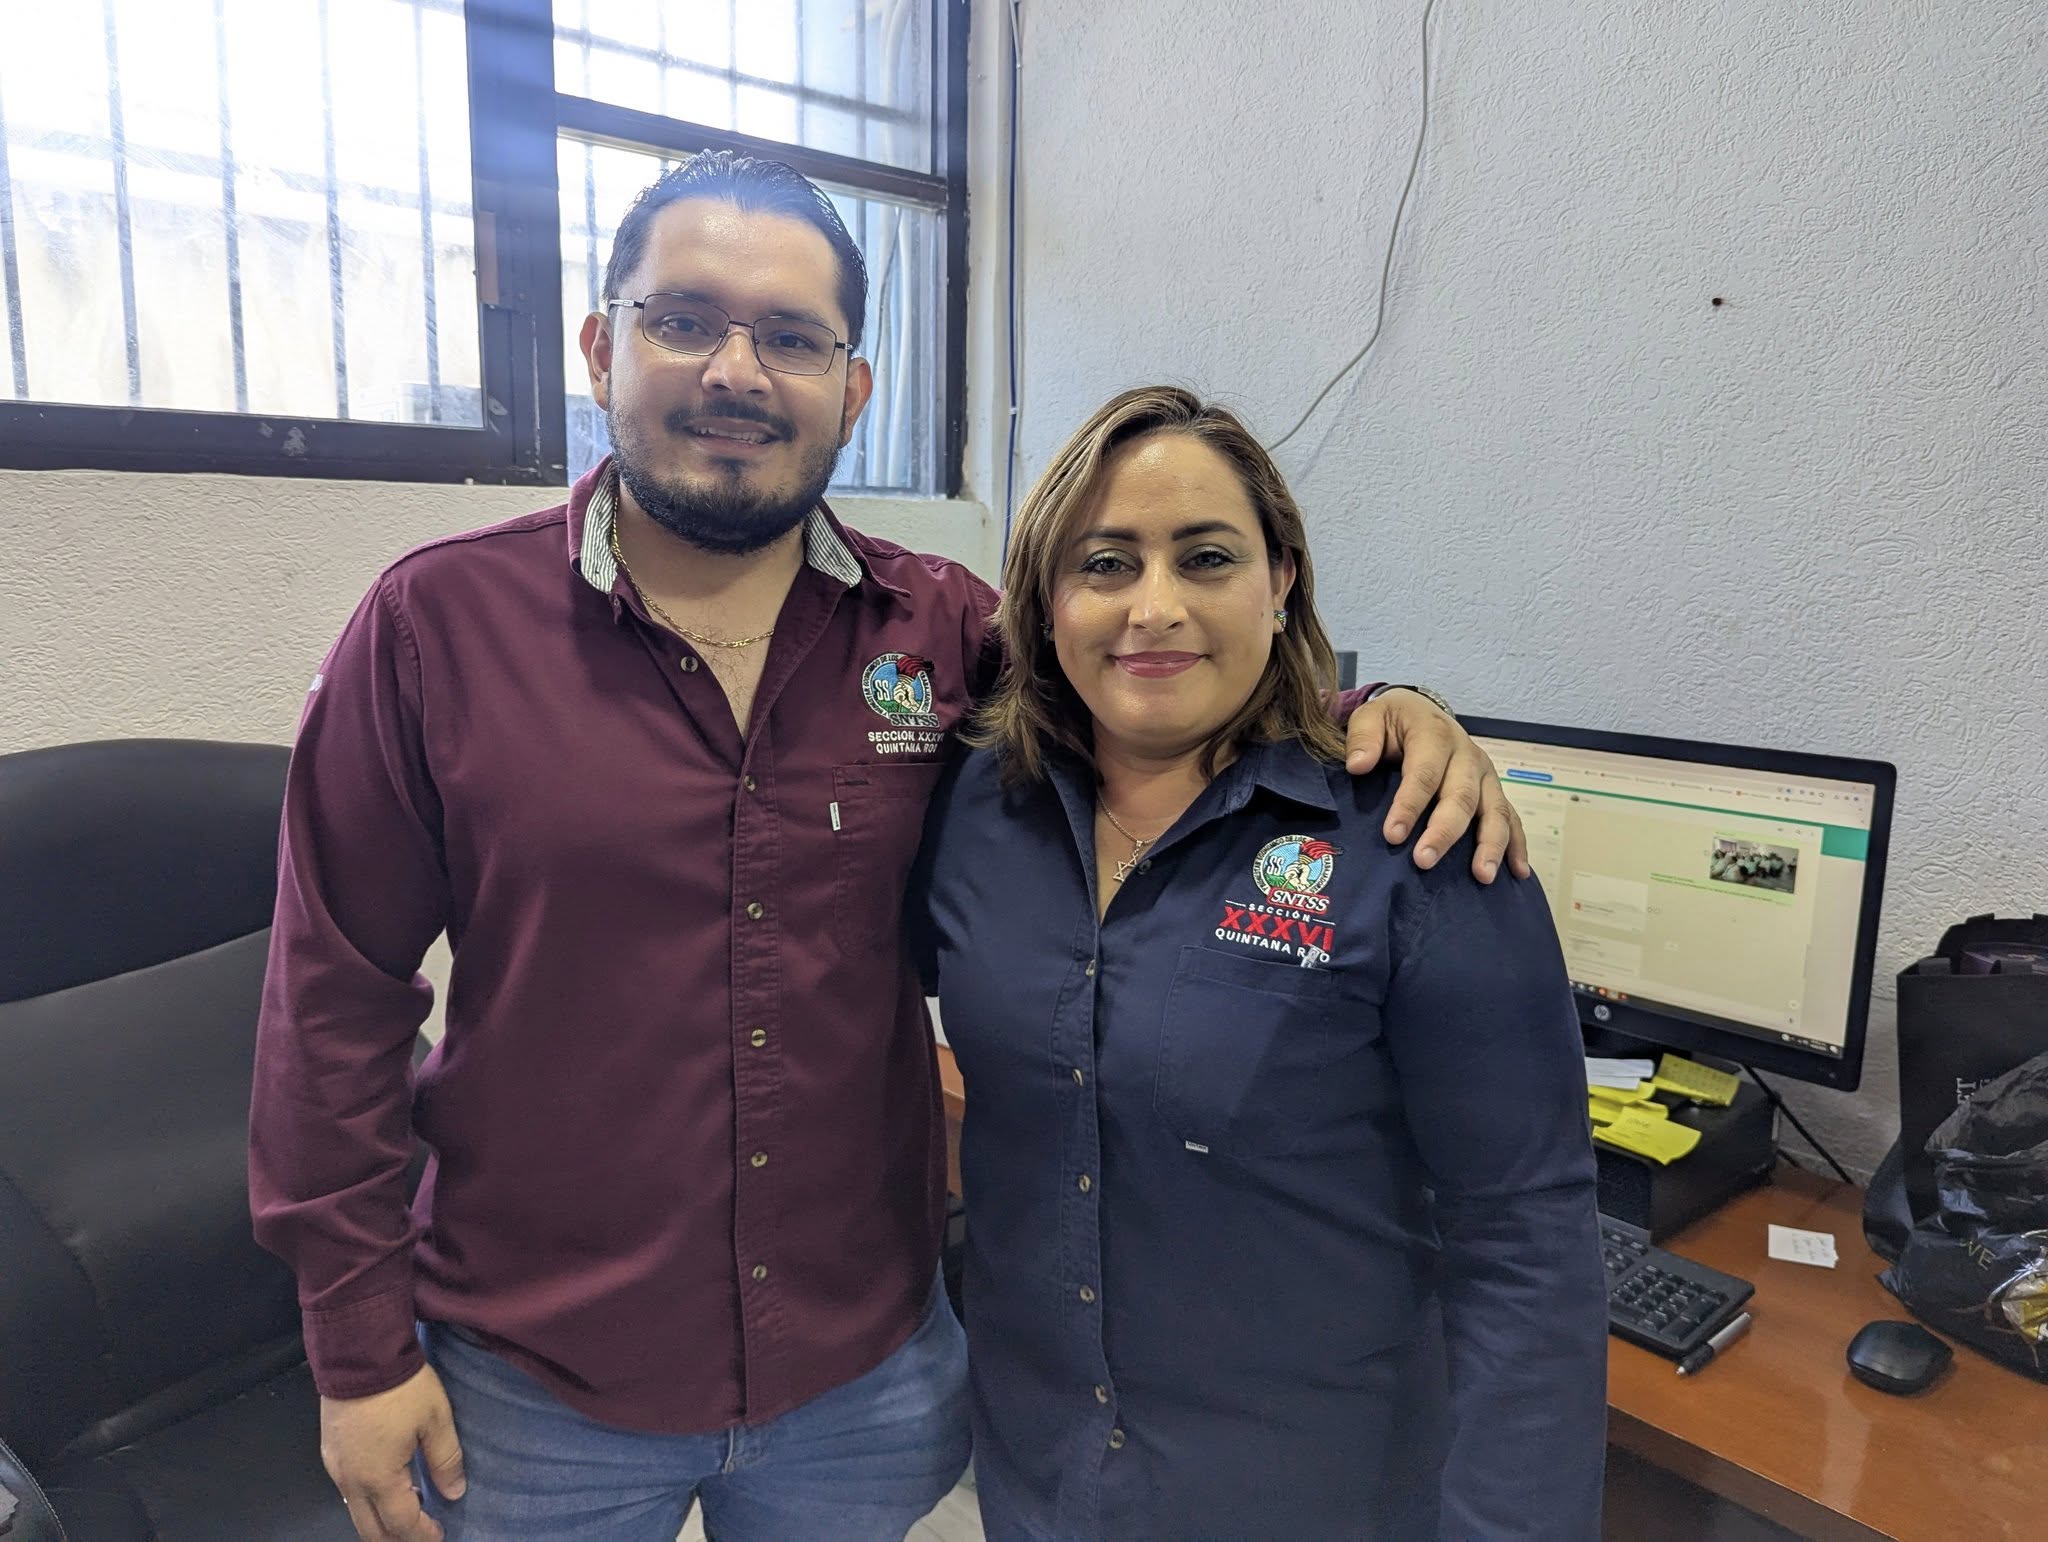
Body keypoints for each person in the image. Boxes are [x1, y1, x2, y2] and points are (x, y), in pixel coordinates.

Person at [248, 153, 1527, 1542]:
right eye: (685, 320)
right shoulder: (432, 631)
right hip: (533, 1384)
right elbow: (332, 1001)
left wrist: (1376, 713)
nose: (735, 371)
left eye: (791, 338)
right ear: (602, 348)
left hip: (861, 1383)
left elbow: (1140, 680)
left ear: (852, 389)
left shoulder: (944, 632)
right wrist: (357, 1349)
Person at [911, 387, 1608, 1539]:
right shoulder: (978, 801)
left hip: (1314, 1494)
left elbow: (1525, 1239)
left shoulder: (1415, 836)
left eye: (1206, 558)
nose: (1155, 607)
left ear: (1277, 582)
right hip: (1038, 1475)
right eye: (1104, 564)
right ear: (1045, 600)